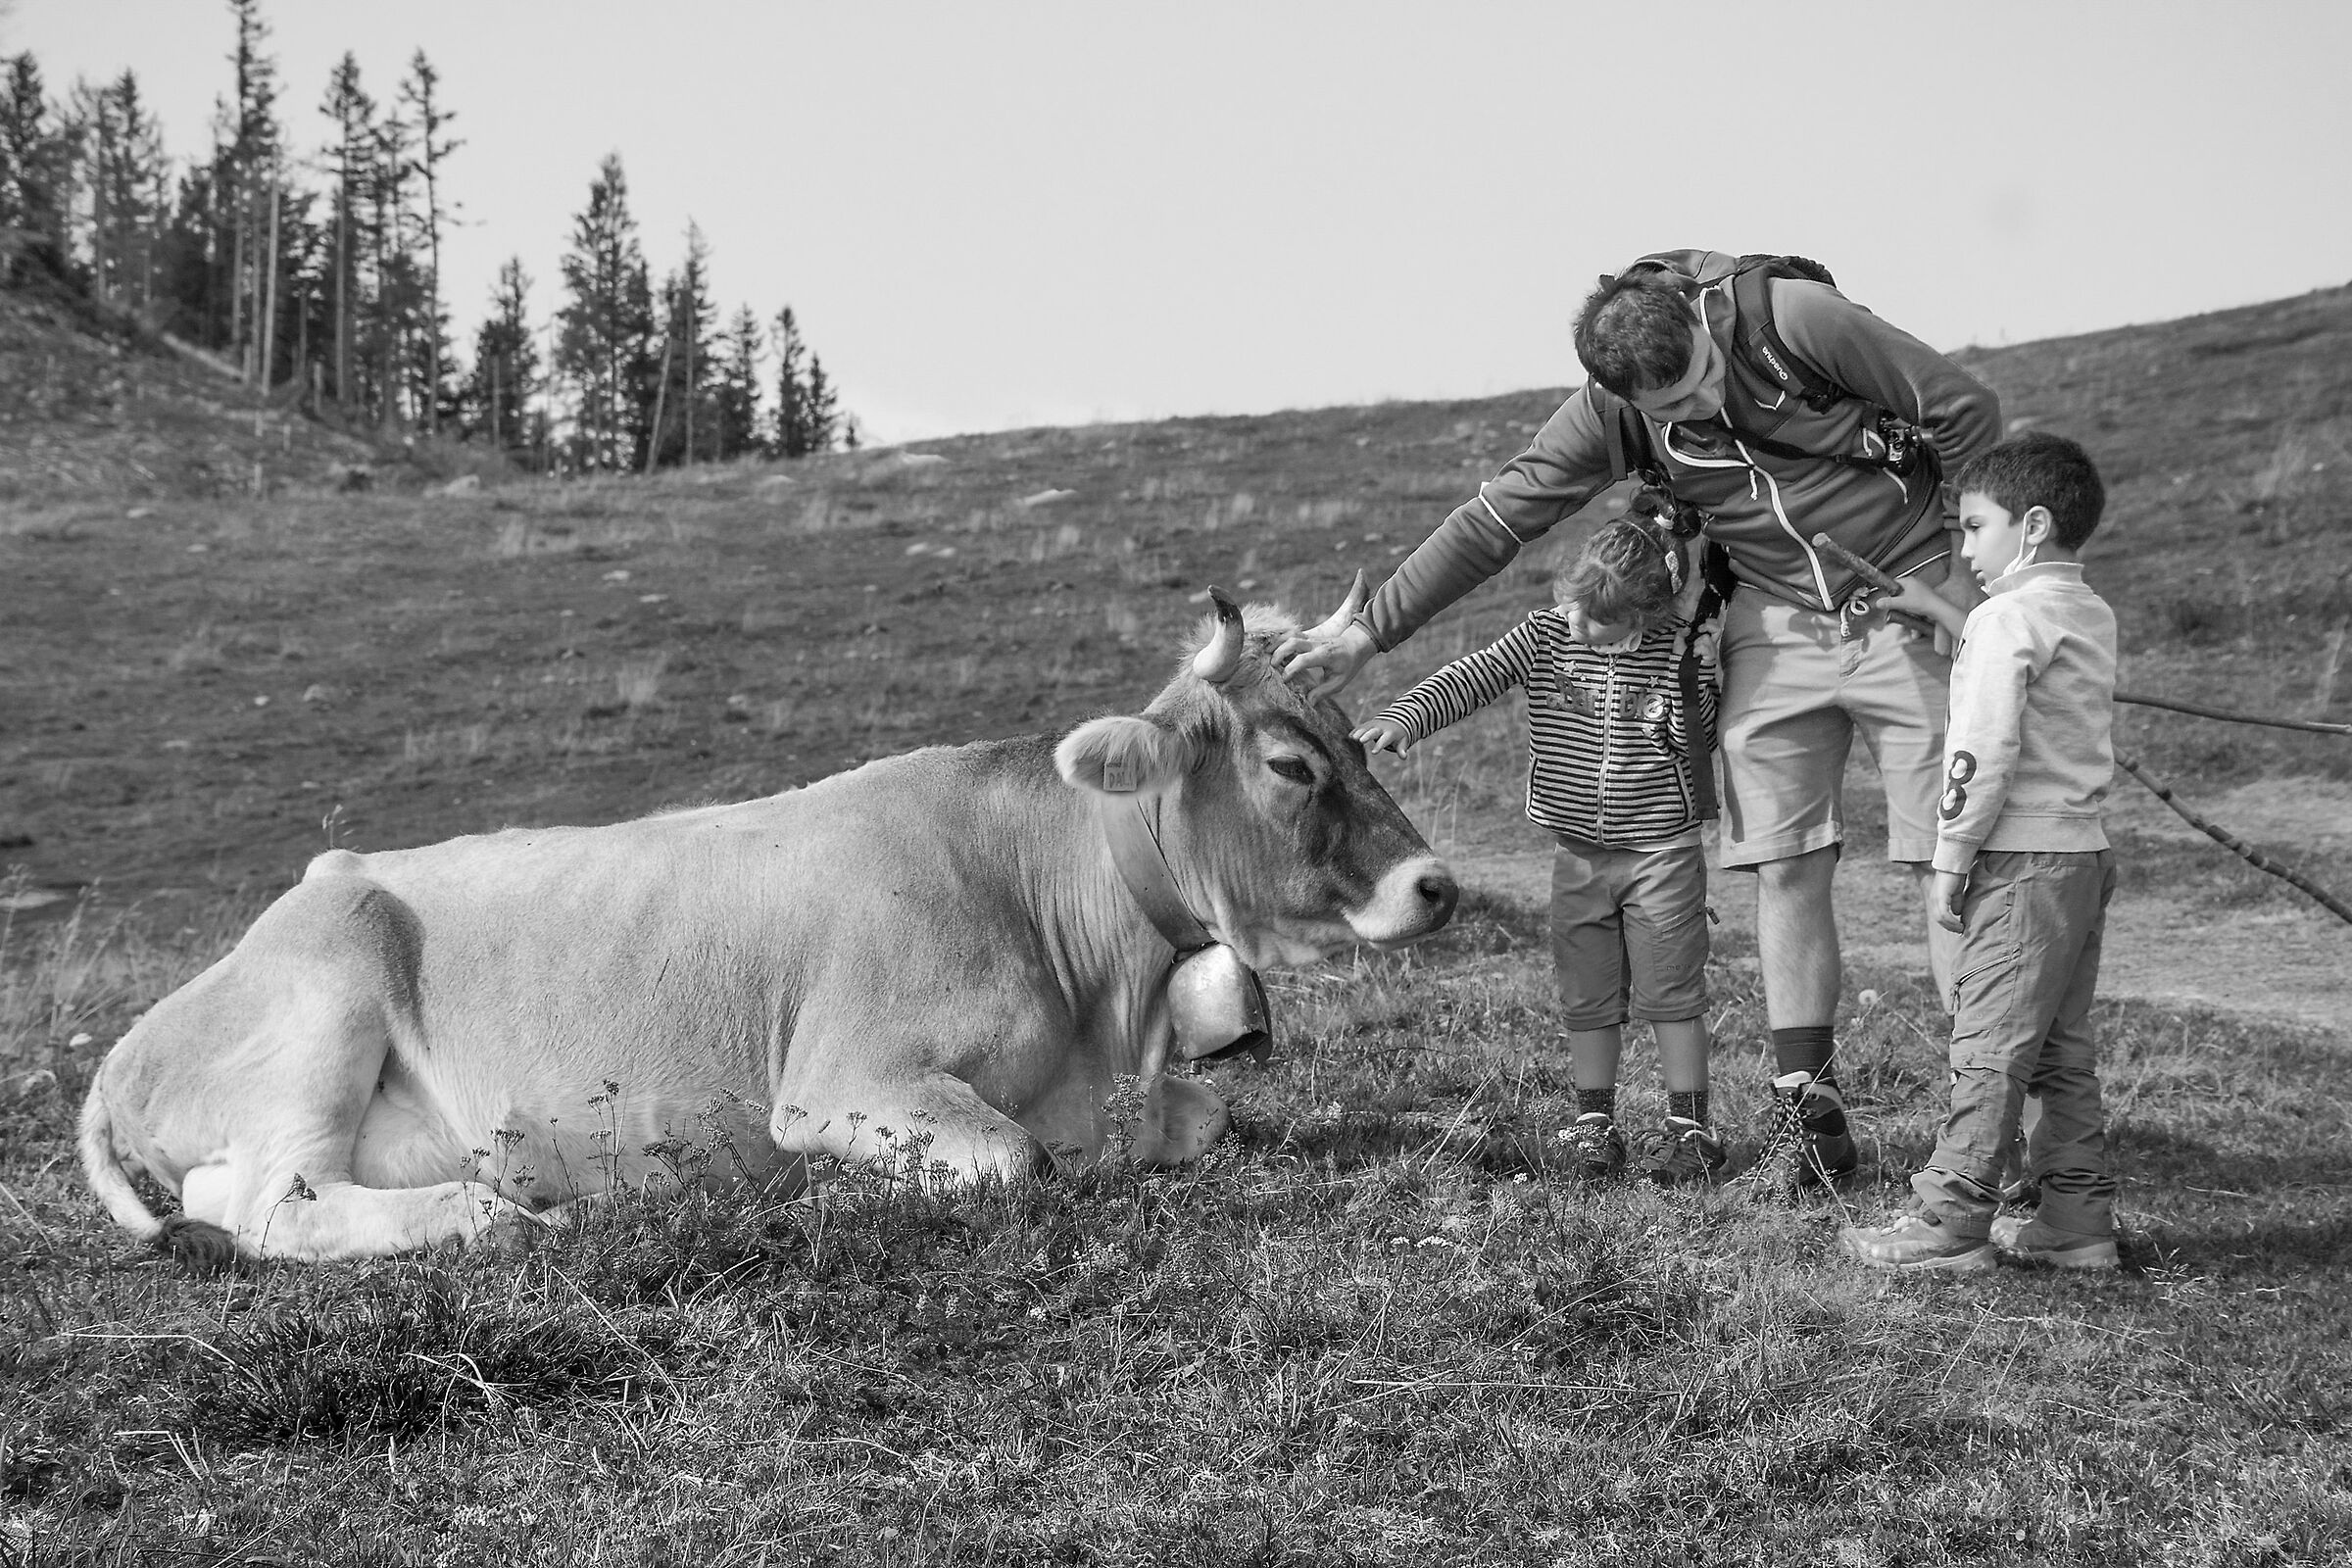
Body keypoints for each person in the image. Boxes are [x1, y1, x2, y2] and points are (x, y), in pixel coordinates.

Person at [1279, 250, 2002, 1191]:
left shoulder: (1795, 320)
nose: (1700, 406)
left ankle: (1988, 1134)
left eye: (1704, 375)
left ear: (1702, 326)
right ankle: (1809, 1125)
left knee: (1949, 860)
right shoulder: (1609, 413)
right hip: (1775, 618)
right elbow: (1496, 521)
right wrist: (1371, 633)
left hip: (1909, 590)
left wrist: (1967, 569)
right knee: (1781, 865)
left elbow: (1967, 413)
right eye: (1674, 409)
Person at [1353, 517, 1725, 1185]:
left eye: (1599, 624)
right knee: (1586, 992)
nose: (1579, 626)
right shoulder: (1547, 633)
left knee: (1671, 990)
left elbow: (1701, 737)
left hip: (1663, 852)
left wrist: (1683, 716)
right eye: (1576, 608)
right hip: (1577, 852)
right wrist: (1405, 718)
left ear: (1645, 615)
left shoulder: (1680, 651)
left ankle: (1689, 1127)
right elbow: (1473, 676)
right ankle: (1593, 1125)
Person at [1838, 431, 2121, 1270]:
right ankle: (2076, 1218)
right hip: (2082, 858)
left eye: (1973, 527)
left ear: (2029, 527)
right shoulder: (2085, 609)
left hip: (2021, 861)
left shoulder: (2006, 616)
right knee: (2059, 1048)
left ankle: (1951, 1218)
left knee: (1987, 1043)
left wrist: (1952, 854)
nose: (1964, 547)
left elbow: (1982, 748)